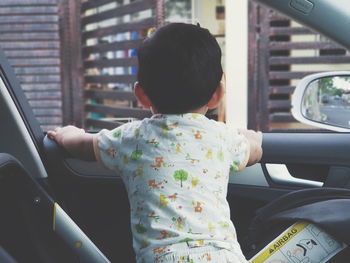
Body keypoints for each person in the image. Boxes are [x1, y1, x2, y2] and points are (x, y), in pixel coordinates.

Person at [48, 23, 262, 263]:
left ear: (141, 94)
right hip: (223, 256)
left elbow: (83, 145)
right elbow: (253, 151)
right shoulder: (223, 137)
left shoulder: (131, 137)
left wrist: (66, 133)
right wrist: (254, 137)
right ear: (218, 94)